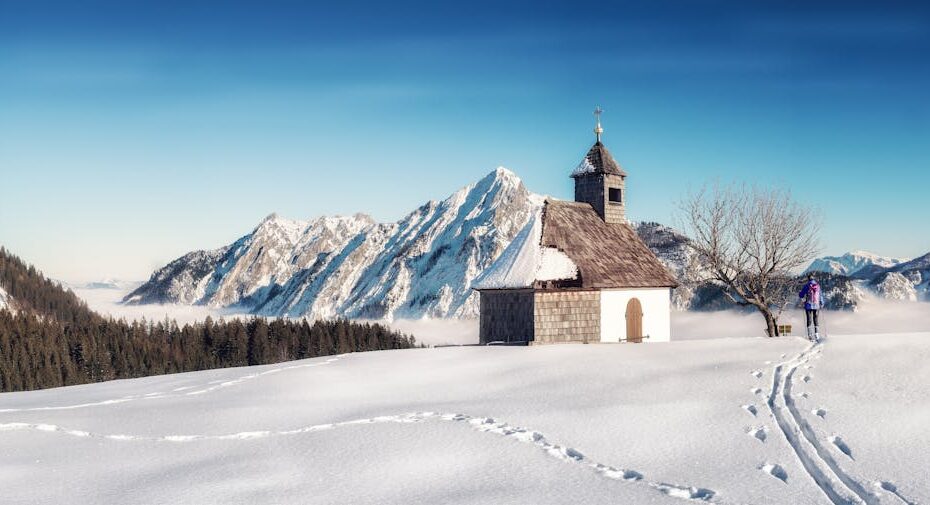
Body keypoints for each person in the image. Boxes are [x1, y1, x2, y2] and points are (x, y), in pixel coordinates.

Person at [799, 274, 825, 341]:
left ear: (808, 279)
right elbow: (821, 295)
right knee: (816, 319)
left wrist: (801, 295)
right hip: (816, 306)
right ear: (814, 279)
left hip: (808, 305)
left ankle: (810, 335)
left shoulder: (807, 285)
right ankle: (817, 334)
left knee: (809, 319)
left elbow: (801, 295)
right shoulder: (818, 286)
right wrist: (822, 303)